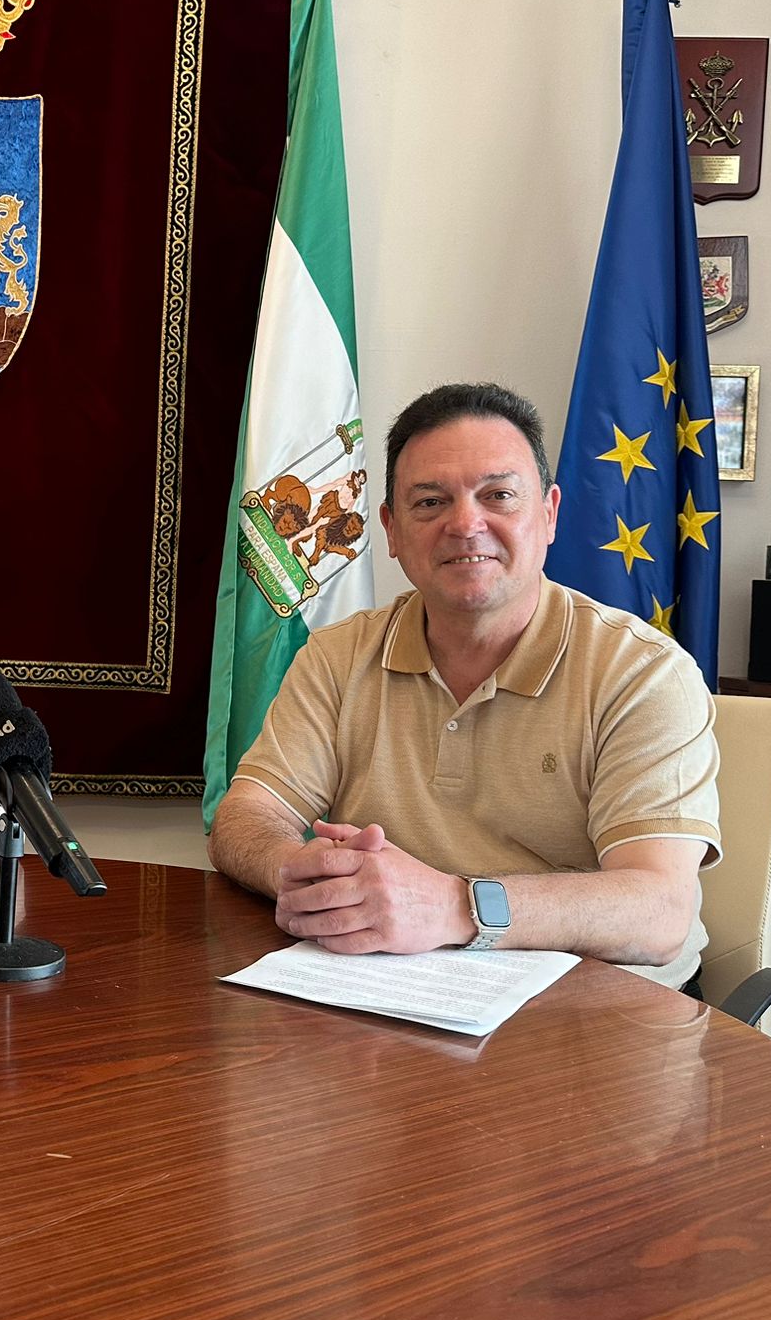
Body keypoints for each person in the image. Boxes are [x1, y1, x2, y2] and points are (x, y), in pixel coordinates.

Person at [208, 382, 720, 991]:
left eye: (498, 495)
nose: (465, 523)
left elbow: (660, 911)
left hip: (597, 1017)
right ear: (392, 531)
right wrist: (297, 866)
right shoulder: (338, 656)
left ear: (549, 515)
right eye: (430, 503)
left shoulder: (642, 672)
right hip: (396, 994)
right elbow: (245, 817)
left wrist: (453, 906)